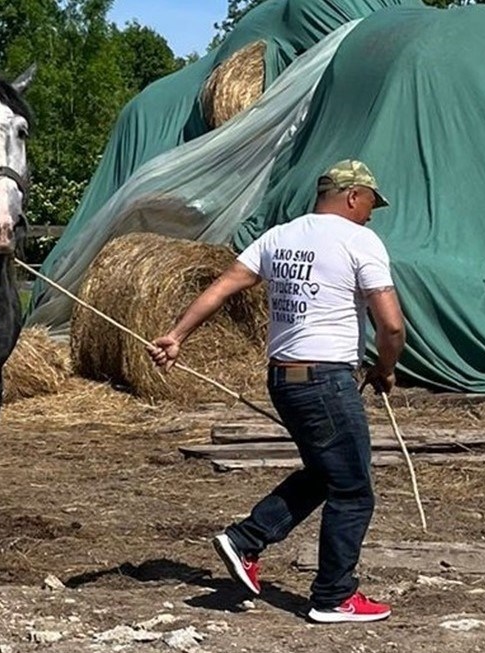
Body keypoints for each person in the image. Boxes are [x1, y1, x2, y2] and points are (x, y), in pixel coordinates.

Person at [147, 160, 406, 624]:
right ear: (352, 196)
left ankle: (246, 539)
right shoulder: (359, 240)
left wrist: (176, 334)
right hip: (326, 379)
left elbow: (223, 287)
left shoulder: (279, 236)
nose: (372, 213)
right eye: (370, 202)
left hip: (283, 378)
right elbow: (391, 324)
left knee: (326, 473)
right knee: (353, 489)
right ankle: (333, 596)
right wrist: (385, 368)